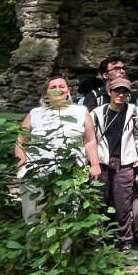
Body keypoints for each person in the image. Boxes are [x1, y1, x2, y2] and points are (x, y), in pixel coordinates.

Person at [13, 76, 101, 224]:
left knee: (67, 218)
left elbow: (90, 140)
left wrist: (94, 165)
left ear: (68, 91)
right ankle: (36, 247)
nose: (58, 90)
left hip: (70, 175)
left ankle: (64, 248)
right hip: (37, 175)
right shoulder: (35, 114)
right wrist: (22, 167)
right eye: (52, 87)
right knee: (34, 217)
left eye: (61, 86)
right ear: (45, 94)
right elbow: (20, 141)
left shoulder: (80, 112)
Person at [91, 76, 138, 246]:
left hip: (125, 162)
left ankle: (125, 241)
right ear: (110, 91)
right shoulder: (98, 113)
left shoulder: (134, 112)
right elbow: (90, 139)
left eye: (124, 91)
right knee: (98, 202)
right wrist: (91, 162)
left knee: (123, 204)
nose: (121, 95)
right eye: (118, 91)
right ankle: (98, 241)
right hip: (102, 162)